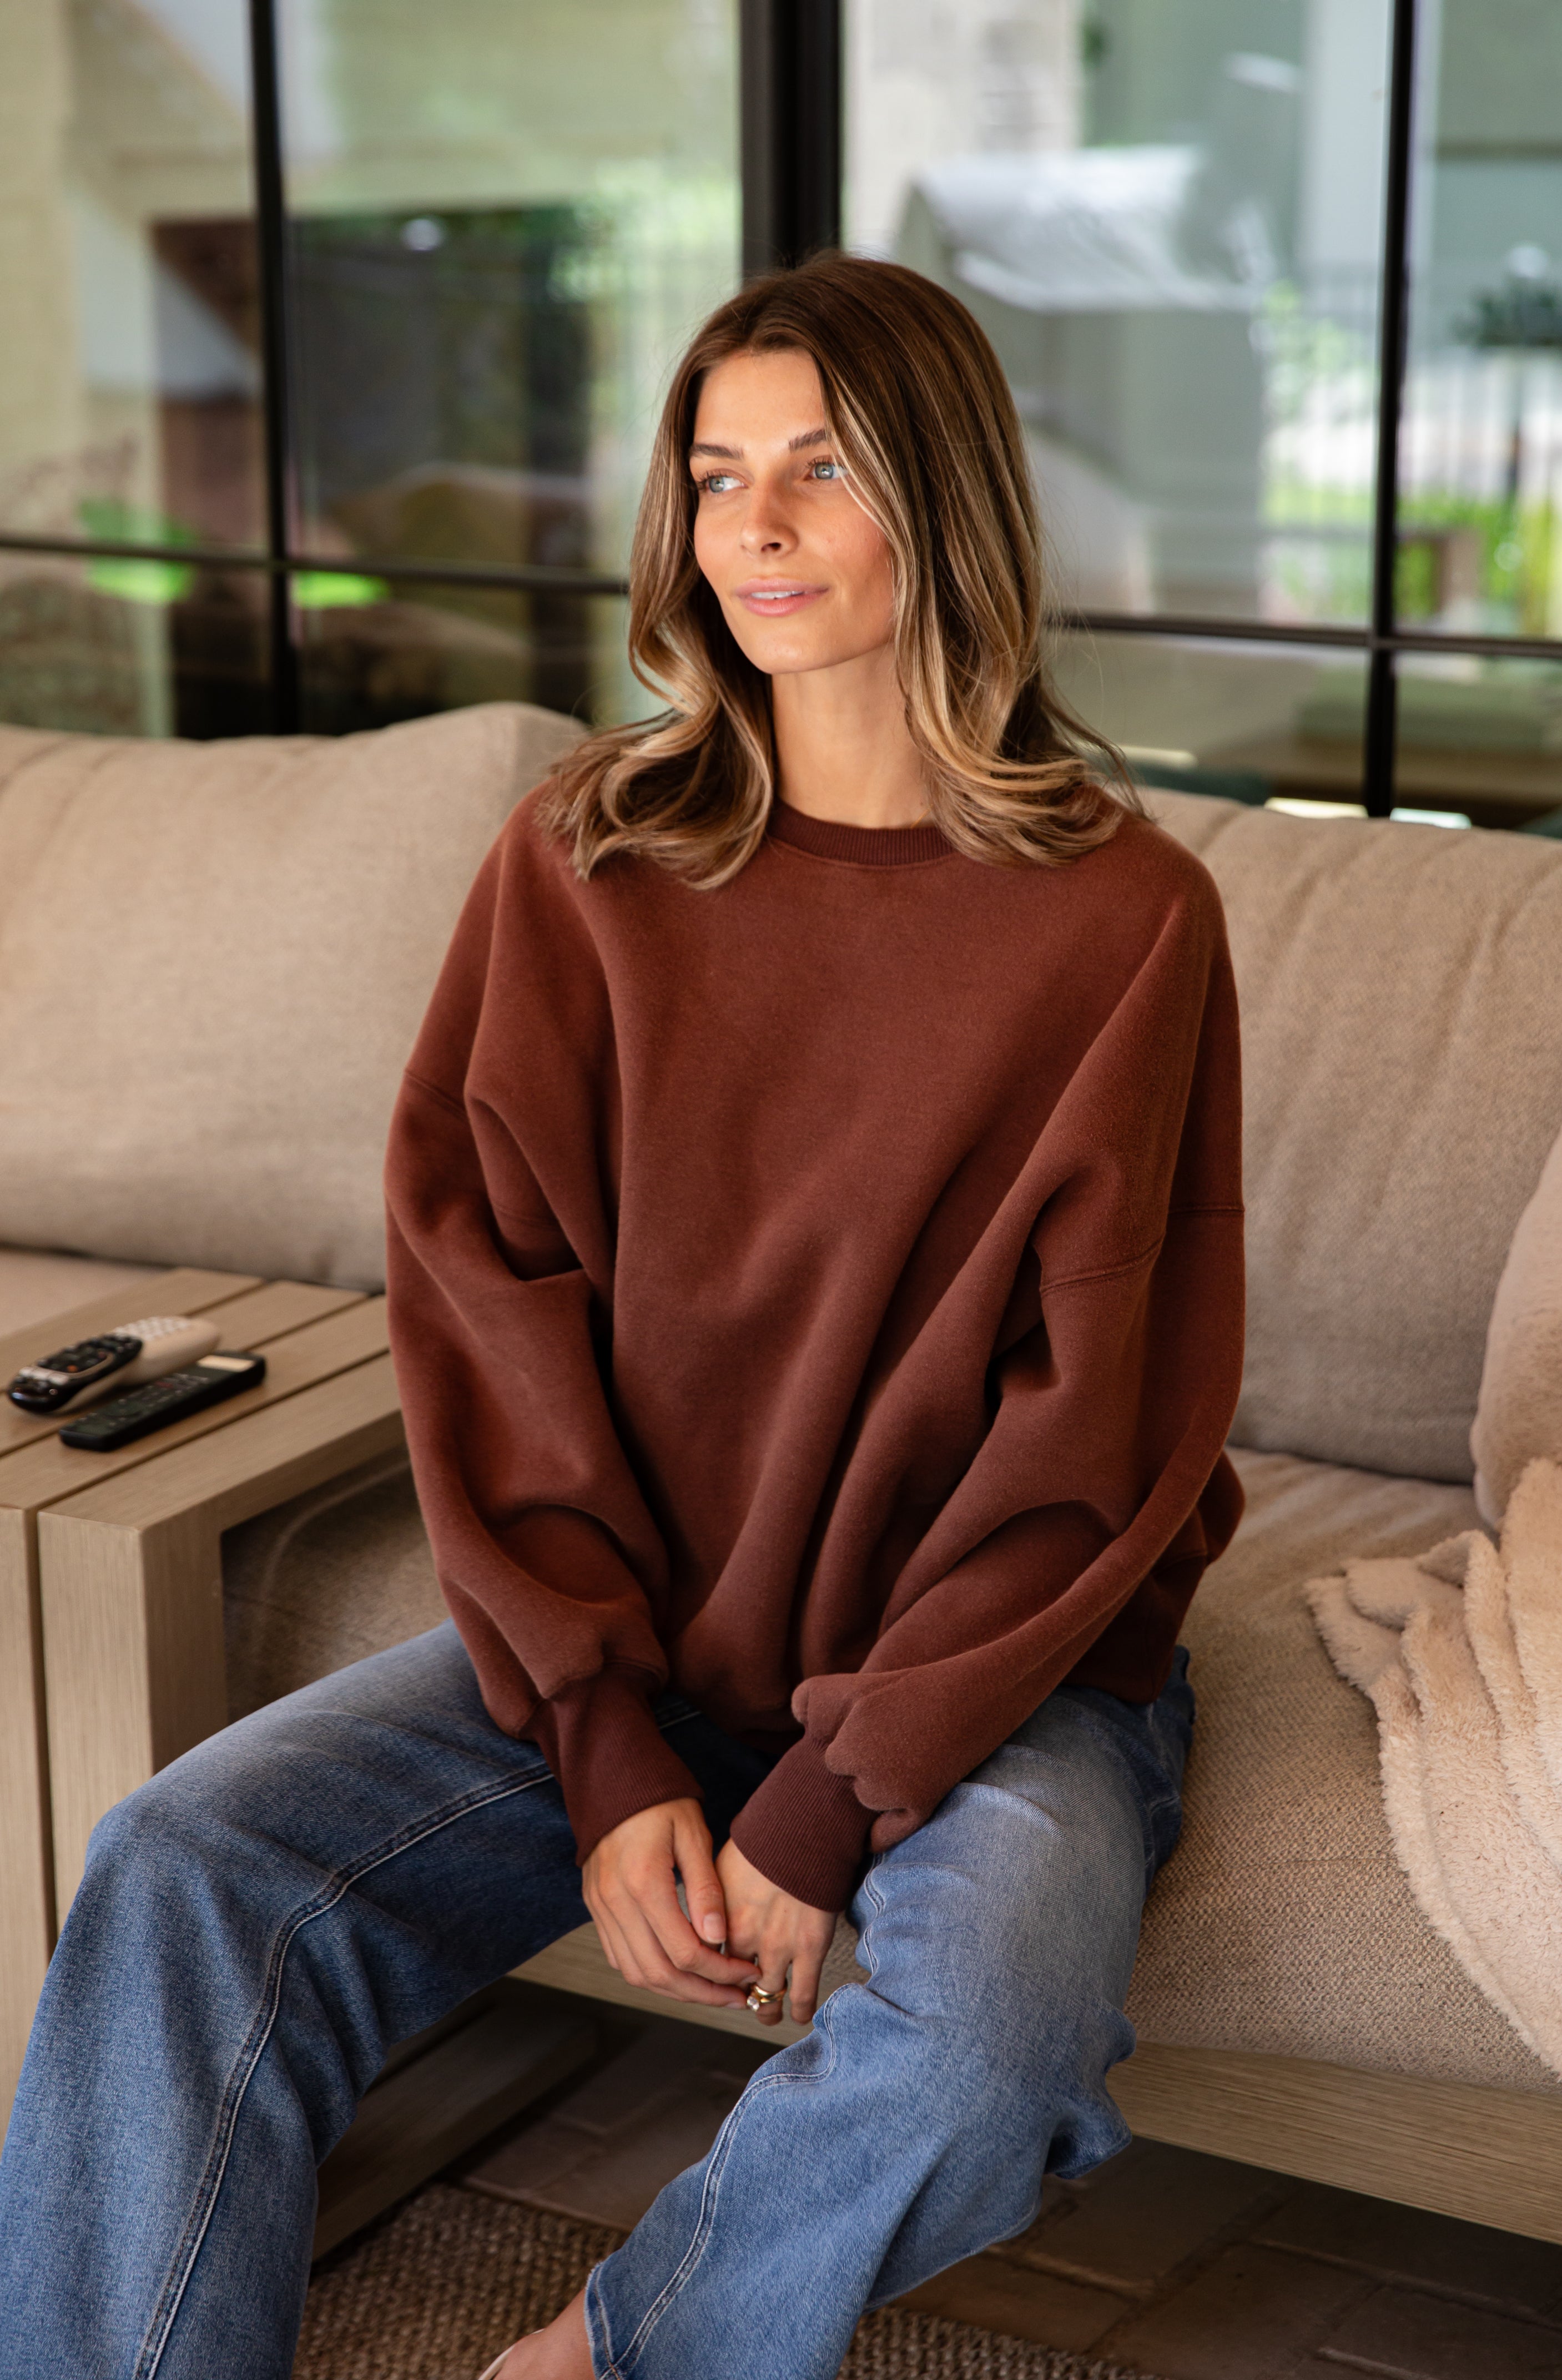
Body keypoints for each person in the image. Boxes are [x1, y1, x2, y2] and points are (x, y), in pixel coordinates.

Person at [0, 253, 1243, 2380]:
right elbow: (487, 1302)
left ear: (945, 499)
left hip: (994, 1673)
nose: (752, 525)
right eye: (715, 473)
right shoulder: (585, 862)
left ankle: (603, 2358)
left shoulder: (1128, 919)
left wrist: (830, 1799)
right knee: (183, 1864)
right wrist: (595, 1730)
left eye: (820, 469)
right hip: (641, 1633)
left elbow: (1097, 1439)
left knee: (989, 2040)